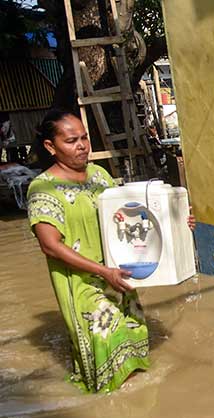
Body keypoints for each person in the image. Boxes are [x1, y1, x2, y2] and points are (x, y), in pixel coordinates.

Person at [26, 109, 195, 392]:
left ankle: (136, 416)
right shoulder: (43, 189)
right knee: (109, 339)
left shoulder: (99, 176)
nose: (81, 145)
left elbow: (127, 217)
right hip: (82, 283)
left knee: (134, 340)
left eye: (83, 138)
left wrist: (177, 223)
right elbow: (50, 245)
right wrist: (102, 271)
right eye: (71, 141)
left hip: (118, 276)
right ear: (50, 146)